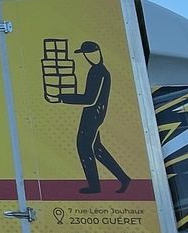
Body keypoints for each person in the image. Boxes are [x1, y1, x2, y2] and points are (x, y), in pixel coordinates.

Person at [55, 40, 131, 194]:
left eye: (88, 54)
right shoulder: (97, 70)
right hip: (95, 112)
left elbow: (90, 98)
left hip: (93, 114)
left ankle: (95, 186)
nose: (88, 57)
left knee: (83, 146)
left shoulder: (98, 72)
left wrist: (62, 97)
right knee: (97, 148)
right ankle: (124, 179)